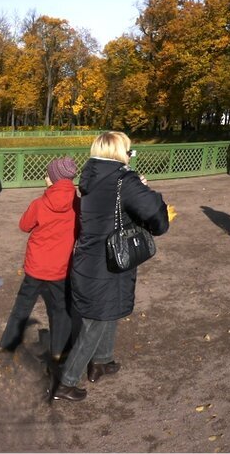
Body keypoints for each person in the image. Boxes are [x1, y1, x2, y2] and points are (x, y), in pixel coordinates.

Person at [53, 131, 171, 402]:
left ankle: (102, 362)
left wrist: (136, 185)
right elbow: (157, 219)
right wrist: (148, 190)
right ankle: (66, 382)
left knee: (108, 310)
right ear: (119, 153)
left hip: (92, 258)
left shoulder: (91, 176)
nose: (131, 156)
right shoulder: (123, 180)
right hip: (105, 264)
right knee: (95, 321)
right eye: (129, 151)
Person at [0, 156, 79, 363]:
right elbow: (81, 230)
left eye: (48, 175)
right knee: (60, 310)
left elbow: (24, 225)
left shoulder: (40, 203)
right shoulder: (78, 204)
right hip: (60, 267)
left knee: (22, 306)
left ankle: (9, 344)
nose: (45, 178)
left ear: (53, 179)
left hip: (36, 266)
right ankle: (59, 350)